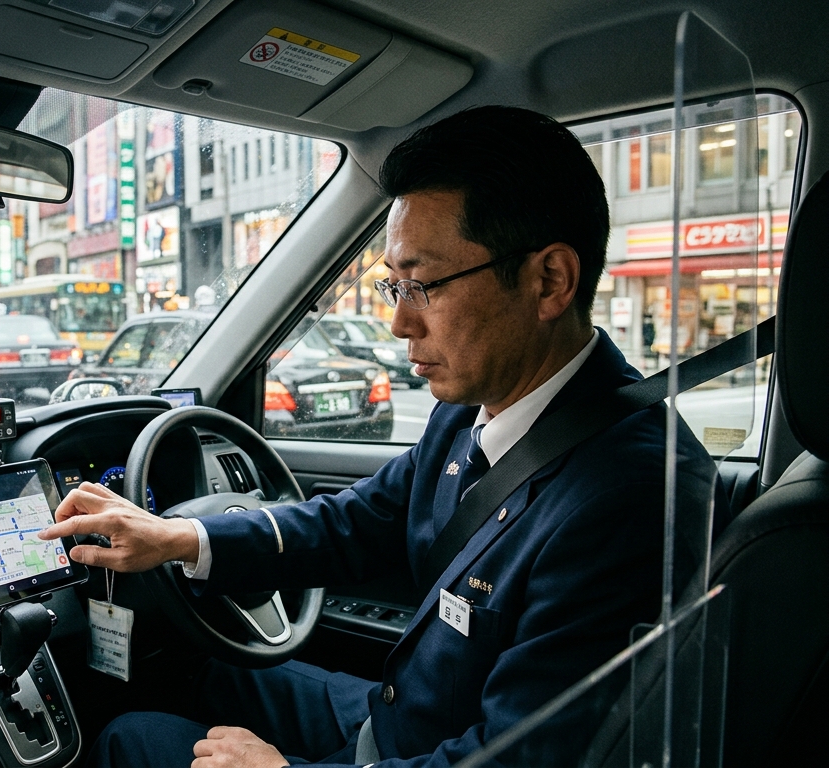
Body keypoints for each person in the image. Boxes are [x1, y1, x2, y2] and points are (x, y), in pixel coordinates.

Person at [42, 107, 728, 768]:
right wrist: (180, 539)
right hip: (402, 717)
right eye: (391, 286)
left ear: (549, 280)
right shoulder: (475, 405)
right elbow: (358, 522)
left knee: (132, 738)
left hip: (427, 747)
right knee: (197, 672)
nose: (399, 324)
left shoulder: (632, 495)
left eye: (423, 286)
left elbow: (523, 756)